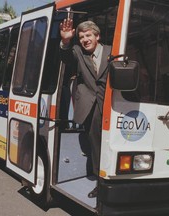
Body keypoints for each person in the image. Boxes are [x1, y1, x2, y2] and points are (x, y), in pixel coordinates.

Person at [59, 18, 111, 198]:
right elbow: (66, 57)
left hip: (112, 106)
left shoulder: (112, 51)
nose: (85, 40)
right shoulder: (77, 52)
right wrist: (66, 40)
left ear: (97, 36)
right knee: (96, 145)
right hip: (90, 107)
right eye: (81, 37)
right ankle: (100, 184)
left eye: (88, 35)